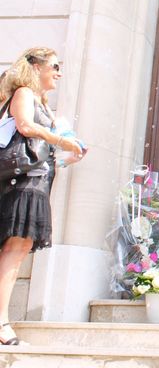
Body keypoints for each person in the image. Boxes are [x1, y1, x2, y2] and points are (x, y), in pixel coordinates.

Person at [0, 47, 84, 345]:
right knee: (13, 251)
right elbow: (25, 127)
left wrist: (65, 158)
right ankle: (1, 323)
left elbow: (38, 155)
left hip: (35, 182)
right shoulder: (23, 93)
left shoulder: (44, 105)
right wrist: (62, 140)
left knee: (17, 251)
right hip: (20, 184)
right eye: (54, 66)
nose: (58, 72)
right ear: (36, 67)